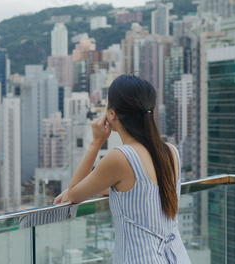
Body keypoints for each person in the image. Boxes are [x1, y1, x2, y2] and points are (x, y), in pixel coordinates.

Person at [54, 74, 191, 263]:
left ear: (112, 114)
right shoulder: (171, 152)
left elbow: (75, 194)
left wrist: (96, 142)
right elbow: (141, 194)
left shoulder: (121, 157)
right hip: (177, 257)